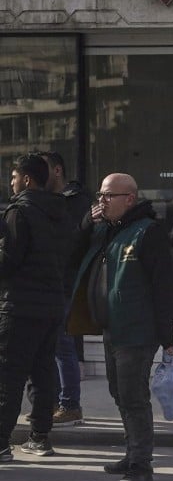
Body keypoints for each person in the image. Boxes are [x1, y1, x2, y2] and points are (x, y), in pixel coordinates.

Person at [67, 173, 173, 481]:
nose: (101, 202)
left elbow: (164, 287)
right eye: (99, 196)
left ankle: (141, 463)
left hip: (138, 331)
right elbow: (71, 257)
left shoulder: (148, 232)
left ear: (129, 198)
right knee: (119, 393)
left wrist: (167, 337)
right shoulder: (105, 230)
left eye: (107, 196)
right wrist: (87, 223)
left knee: (133, 397)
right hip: (111, 327)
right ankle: (132, 454)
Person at [0, 153, 70, 461]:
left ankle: (2, 442)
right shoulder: (60, 211)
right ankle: (40, 437)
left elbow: (9, 260)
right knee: (43, 373)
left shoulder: (20, 211)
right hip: (52, 304)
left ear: (27, 179)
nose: (11, 183)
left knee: (8, 375)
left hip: (20, 305)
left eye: (13, 177)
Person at [39, 151, 92, 426]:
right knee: (53, 344)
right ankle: (55, 402)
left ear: (57, 170)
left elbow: (74, 243)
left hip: (66, 282)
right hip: (52, 282)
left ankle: (70, 403)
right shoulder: (51, 201)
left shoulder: (74, 202)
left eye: (43, 169)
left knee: (62, 344)